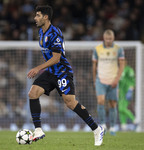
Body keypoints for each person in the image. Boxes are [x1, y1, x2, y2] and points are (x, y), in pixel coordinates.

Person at [27, 5, 104, 146]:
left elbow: (56, 58)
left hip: (62, 71)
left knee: (69, 102)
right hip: (51, 72)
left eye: (38, 15)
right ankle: (38, 130)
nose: (35, 18)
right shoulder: (41, 32)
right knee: (33, 93)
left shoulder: (54, 33)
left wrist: (38, 68)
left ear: (45, 17)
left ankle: (97, 129)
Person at [92, 29, 125, 135]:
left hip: (113, 80)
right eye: (107, 38)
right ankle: (103, 125)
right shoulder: (97, 49)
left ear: (113, 38)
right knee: (100, 101)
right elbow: (94, 66)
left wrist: (117, 79)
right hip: (100, 79)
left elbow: (122, 65)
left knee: (112, 104)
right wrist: (94, 79)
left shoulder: (118, 49)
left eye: (110, 38)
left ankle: (113, 127)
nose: (109, 40)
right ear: (104, 38)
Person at [118, 60, 137, 131]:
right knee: (121, 109)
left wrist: (131, 88)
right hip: (121, 92)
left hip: (127, 91)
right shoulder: (119, 70)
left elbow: (132, 79)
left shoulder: (129, 69)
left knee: (121, 108)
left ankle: (134, 119)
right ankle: (124, 125)